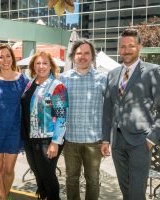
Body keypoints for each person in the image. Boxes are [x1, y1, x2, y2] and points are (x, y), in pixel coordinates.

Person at [101, 28, 160, 200]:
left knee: (136, 193)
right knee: (125, 190)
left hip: (140, 143)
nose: (126, 50)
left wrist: (150, 139)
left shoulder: (153, 71)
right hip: (117, 143)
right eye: (123, 46)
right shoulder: (112, 74)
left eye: (131, 46)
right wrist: (105, 139)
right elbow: (108, 108)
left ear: (140, 46)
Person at [60, 39, 107, 200]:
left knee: (93, 180)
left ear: (92, 56)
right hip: (70, 140)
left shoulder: (103, 79)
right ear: (73, 56)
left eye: (87, 53)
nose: (83, 56)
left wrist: (107, 139)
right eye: (79, 53)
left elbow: (109, 110)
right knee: (71, 179)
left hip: (94, 141)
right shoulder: (63, 79)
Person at [21, 51, 68, 200]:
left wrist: (55, 142)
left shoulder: (57, 86)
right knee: (38, 174)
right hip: (30, 137)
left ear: (51, 66)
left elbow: (62, 116)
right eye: (38, 63)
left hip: (47, 139)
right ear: (33, 66)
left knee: (48, 176)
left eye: (45, 63)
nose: (41, 66)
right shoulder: (30, 83)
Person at [0, 44, 29, 200]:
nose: (5, 60)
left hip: (15, 130)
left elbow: (31, 102)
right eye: (1, 57)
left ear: (13, 57)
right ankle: (2, 198)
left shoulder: (23, 79)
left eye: (8, 56)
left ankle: (4, 195)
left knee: (9, 169)